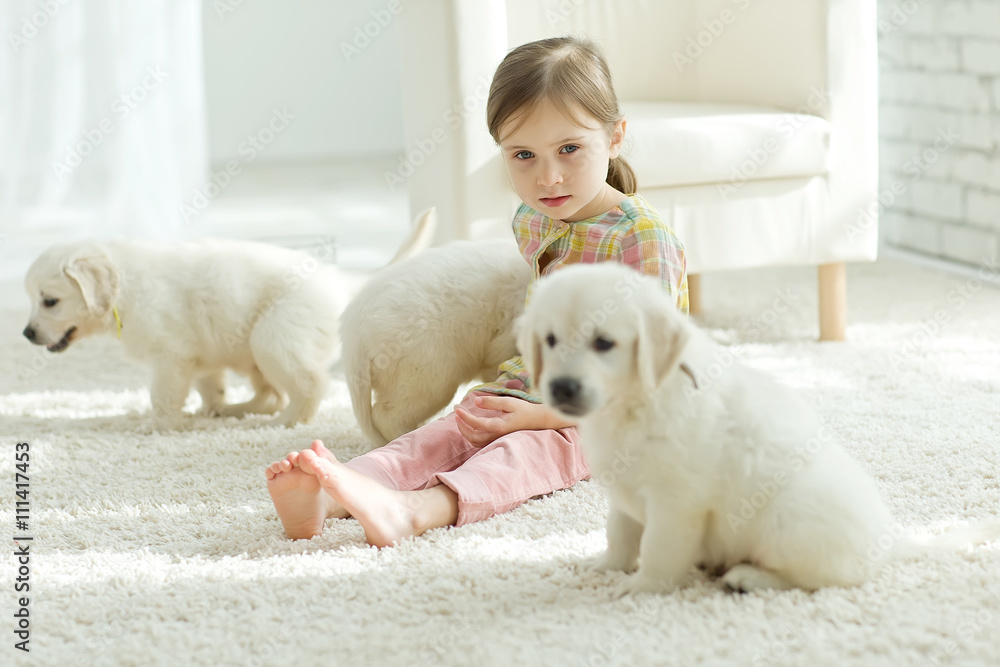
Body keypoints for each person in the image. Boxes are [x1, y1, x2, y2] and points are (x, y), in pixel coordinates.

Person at [264, 36, 688, 547]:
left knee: (523, 455)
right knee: (443, 433)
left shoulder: (642, 239)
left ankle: (416, 511)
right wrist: (514, 401)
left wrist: (543, 417)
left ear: (616, 136)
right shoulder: (535, 218)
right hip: (527, 384)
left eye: (569, 149)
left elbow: (652, 377)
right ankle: (334, 493)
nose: (547, 176)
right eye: (523, 155)